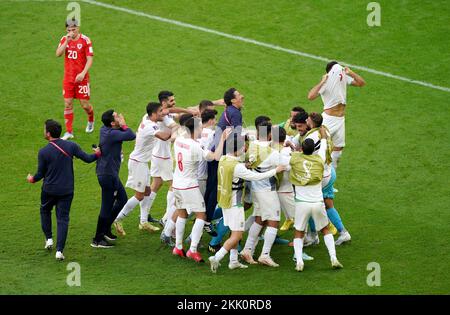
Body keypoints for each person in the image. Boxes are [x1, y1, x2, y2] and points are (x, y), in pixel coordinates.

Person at [209, 134, 287, 273]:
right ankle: (216, 257)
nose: (245, 149)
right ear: (238, 149)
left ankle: (233, 261)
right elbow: (257, 176)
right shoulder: (237, 167)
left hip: (225, 201)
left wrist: (245, 165)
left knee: (234, 231)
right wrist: (275, 170)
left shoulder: (224, 159)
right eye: (243, 147)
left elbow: (236, 169)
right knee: (237, 236)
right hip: (235, 204)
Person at [27, 119, 100, 260]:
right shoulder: (71, 146)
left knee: (45, 211)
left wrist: (32, 179)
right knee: (63, 219)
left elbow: (40, 174)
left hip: (48, 190)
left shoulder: (43, 152)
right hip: (66, 190)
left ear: (48, 134)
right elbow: (88, 158)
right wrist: (97, 153)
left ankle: (49, 239)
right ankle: (59, 251)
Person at [170, 118, 232, 262]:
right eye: (199, 129)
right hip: (189, 186)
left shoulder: (179, 140)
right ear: (195, 129)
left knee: (182, 214)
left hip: (177, 184)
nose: (201, 131)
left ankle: (178, 247)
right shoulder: (195, 146)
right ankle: (192, 250)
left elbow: (175, 134)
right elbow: (215, 157)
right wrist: (222, 139)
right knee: (201, 216)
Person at [113, 103, 172, 236]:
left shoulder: (147, 118)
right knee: (139, 195)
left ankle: (143, 221)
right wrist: (175, 128)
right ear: (153, 114)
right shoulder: (150, 126)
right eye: (160, 111)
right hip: (138, 163)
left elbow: (162, 118)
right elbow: (164, 136)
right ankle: (118, 219)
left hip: (142, 163)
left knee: (147, 191)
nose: (162, 113)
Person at [289, 126, 343, 271]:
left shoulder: (294, 159)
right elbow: (324, 144)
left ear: (301, 149)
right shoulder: (320, 159)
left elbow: (286, 153)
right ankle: (333, 257)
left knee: (299, 233)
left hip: (301, 204)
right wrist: (324, 136)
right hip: (318, 203)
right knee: (325, 230)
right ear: (314, 149)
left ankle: (299, 261)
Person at [303, 112, 351, 246]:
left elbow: (305, 154)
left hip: (320, 176)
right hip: (330, 172)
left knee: (310, 204)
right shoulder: (325, 130)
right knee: (329, 205)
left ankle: (313, 236)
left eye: (307, 120)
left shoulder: (312, 136)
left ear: (311, 123)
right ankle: (344, 232)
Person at [240, 121, 283, 267]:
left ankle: (247, 250)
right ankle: (265, 255)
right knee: (274, 221)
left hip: (255, 190)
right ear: (270, 134)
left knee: (260, 219)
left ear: (258, 133)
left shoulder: (251, 146)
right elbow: (286, 166)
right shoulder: (273, 153)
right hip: (267, 191)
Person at [307, 61, 365, 169]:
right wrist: (322, 81)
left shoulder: (342, 78)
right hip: (328, 120)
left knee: (338, 148)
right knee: (317, 146)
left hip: (340, 120)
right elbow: (310, 96)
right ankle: (311, 170)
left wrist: (351, 73)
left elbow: (361, 83)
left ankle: (331, 176)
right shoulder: (327, 81)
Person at [91, 110, 136, 248]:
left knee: (122, 199)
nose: (120, 116)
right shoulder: (112, 134)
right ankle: (98, 239)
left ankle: (105, 229)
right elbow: (131, 135)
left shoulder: (105, 129)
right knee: (106, 206)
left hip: (108, 173)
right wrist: (124, 124)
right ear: (112, 123)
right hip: (107, 175)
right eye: (116, 116)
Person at [204, 88, 245, 236]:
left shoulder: (230, 109)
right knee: (215, 190)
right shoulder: (235, 113)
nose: (242, 96)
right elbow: (236, 137)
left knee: (211, 188)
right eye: (239, 95)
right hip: (220, 155)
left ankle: (204, 219)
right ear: (233, 100)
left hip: (215, 151)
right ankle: (206, 221)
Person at [56, 19, 95, 140]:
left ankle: (91, 119)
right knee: (67, 104)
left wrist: (83, 73)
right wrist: (66, 41)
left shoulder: (85, 40)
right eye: (69, 30)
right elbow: (58, 54)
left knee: (85, 105)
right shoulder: (64, 39)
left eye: (73, 29)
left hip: (82, 78)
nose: (71, 32)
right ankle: (69, 131)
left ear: (78, 28)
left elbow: (89, 59)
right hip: (68, 78)